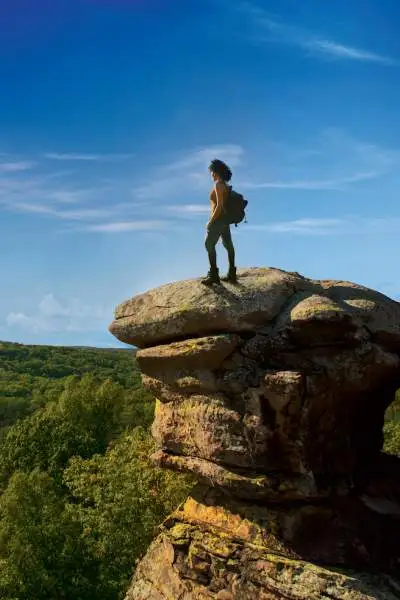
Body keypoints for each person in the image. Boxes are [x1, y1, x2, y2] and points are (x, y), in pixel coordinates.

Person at [201, 159, 237, 286]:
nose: (211, 175)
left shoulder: (218, 185)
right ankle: (232, 273)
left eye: (211, 172)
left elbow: (219, 205)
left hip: (218, 220)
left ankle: (213, 275)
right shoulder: (225, 185)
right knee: (228, 245)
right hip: (225, 220)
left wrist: (210, 221)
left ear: (215, 172)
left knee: (208, 244)